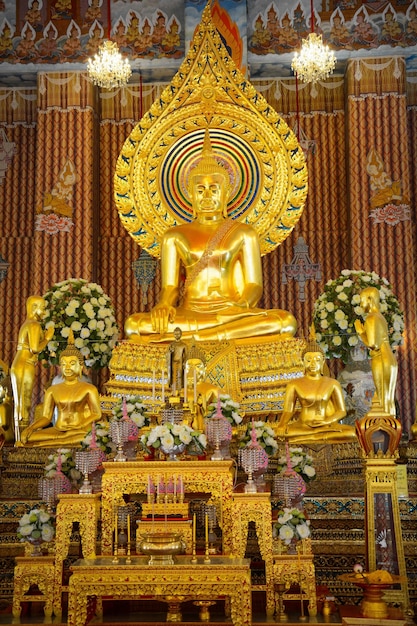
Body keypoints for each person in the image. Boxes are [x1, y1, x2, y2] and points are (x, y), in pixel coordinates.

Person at [125, 130, 297, 343]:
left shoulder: (244, 233)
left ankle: (198, 337)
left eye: (213, 189)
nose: (206, 196)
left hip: (231, 314)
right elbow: (170, 287)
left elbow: (255, 285)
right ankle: (211, 336)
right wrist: (164, 305)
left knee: (284, 321)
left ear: (226, 193)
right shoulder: (174, 236)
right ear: (190, 195)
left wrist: (241, 307)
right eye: (200, 190)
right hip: (188, 313)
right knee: (134, 326)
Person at [18, 337, 101, 447]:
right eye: (63, 364)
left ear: (81, 366)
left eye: (71, 363)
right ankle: (62, 441)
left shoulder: (89, 388)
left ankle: (56, 443)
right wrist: (30, 428)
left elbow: (97, 413)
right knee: (29, 438)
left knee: (90, 437)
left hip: (79, 430)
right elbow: (46, 417)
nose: (67, 367)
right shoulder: (52, 390)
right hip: (58, 430)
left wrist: (80, 425)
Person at [275, 341, 356, 443]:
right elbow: (288, 411)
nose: (313, 364)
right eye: (308, 360)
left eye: (317, 360)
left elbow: (341, 411)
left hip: (326, 426)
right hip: (303, 427)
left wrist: (326, 421)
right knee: (277, 434)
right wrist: (282, 425)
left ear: (322, 362)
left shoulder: (332, 383)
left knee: (352, 433)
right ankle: (314, 438)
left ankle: (308, 439)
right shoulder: (294, 384)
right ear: (303, 362)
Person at [11, 295, 54, 442]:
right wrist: (47, 338)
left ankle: (19, 439)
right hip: (25, 363)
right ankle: (20, 440)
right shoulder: (34, 324)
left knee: (21, 402)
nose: (44, 311)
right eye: (42, 308)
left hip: (21, 363)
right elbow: (35, 349)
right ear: (34, 308)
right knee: (24, 403)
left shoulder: (28, 323)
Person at [354, 287, 398, 417]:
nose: (361, 304)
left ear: (369, 299)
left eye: (362, 300)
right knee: (386, 398)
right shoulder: (380, 316)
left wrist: (361, 333)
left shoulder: (371, 318)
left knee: (383, 398)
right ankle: (390, 427)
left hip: (381, 358)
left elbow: (373, 344)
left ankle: (386, 429)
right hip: (388, 358)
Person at [166, 327, 188, 395]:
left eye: (178, 334)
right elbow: (167, 354)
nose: (177, 335)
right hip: (173, 362)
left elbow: (186, 355)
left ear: (181, 334)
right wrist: (170, 352)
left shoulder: (184, 345)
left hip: (180, 362)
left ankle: (179, 390)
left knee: (179, 376)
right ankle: (173, 390)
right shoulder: (171, 344)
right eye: (175, 334)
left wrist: (185, 362)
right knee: (173, 376)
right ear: (173, 334)